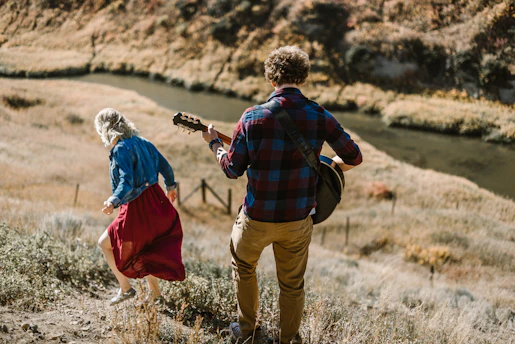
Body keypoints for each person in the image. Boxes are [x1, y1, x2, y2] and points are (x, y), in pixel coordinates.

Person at [201, 46, 363, 343]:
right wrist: (329, 165)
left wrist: (214, 145)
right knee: (292, 284)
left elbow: (232, 169)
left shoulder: (252, 117)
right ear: (302, 76)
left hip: (257, 217)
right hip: (298, 219)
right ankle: (288, 339)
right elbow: (353, 157)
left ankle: (247, 329)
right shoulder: (319, 115)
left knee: (244, 265)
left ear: (271, 76)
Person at [95, 108, 185, 306]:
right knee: (145, 248)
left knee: (104, 243)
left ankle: (126, 288)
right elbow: (165, 166)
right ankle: (156, 295)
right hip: (156, 200)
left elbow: (126, 181)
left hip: (136, 206)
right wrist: (170, 186)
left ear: (105, 129)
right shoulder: (144, 142)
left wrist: (113, 200)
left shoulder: (120, 149)